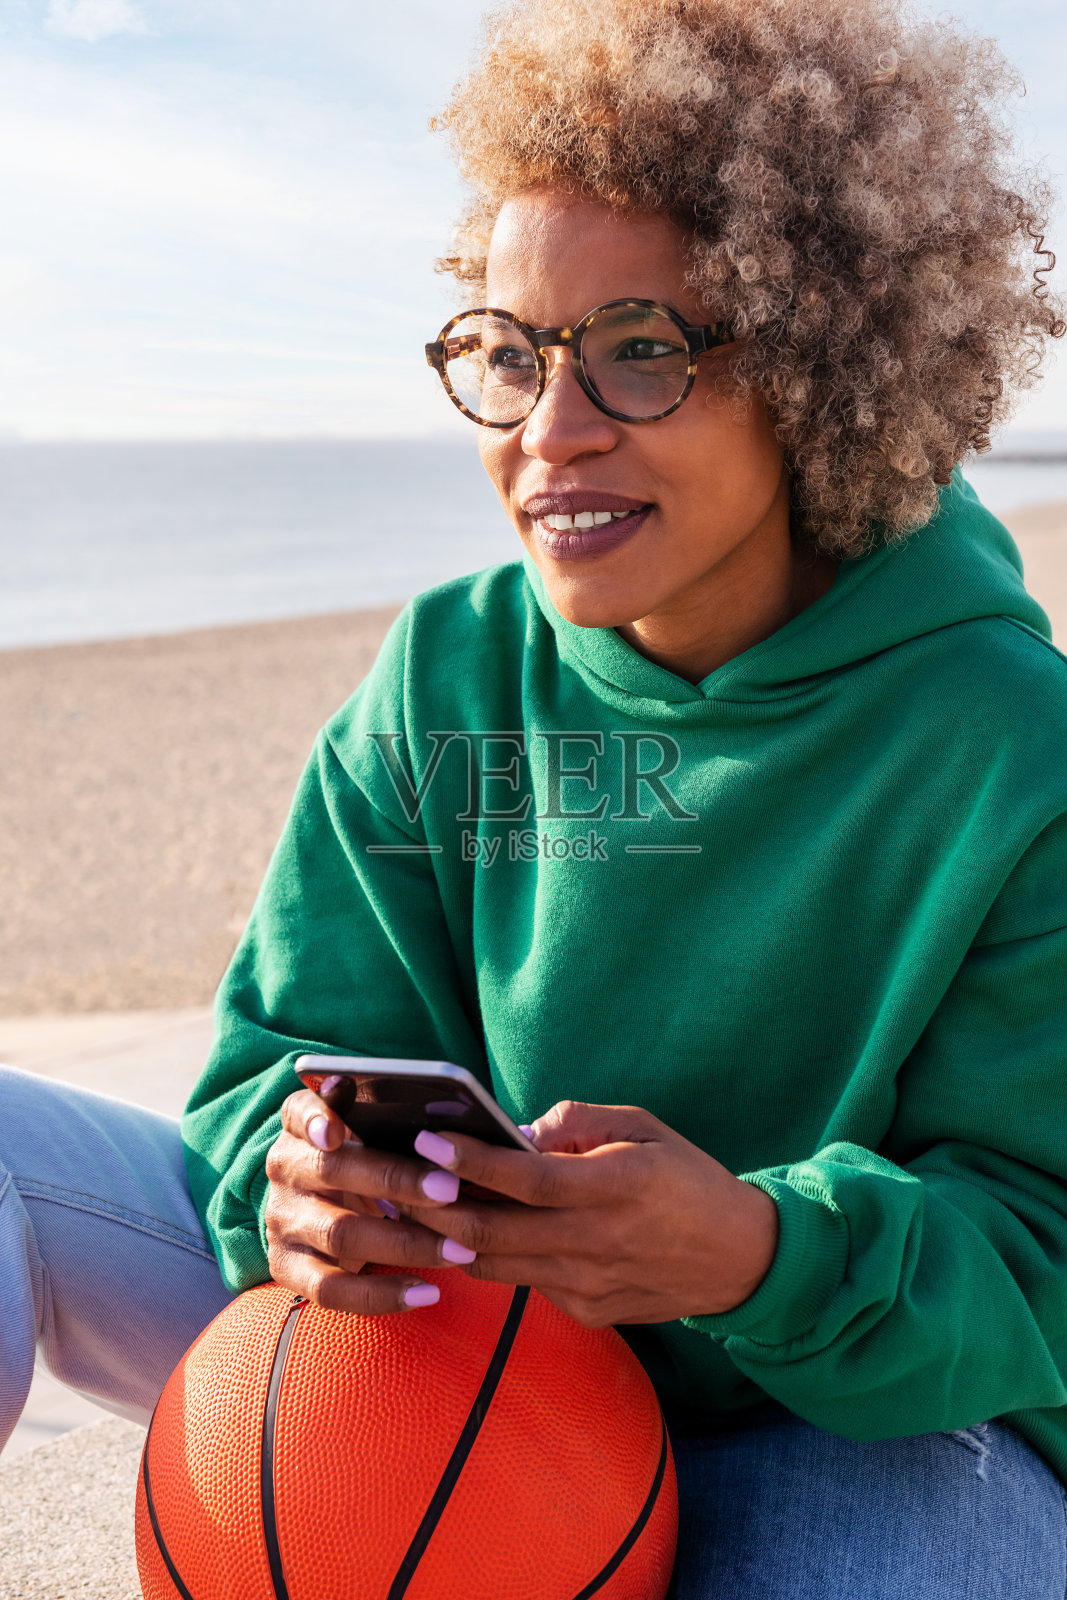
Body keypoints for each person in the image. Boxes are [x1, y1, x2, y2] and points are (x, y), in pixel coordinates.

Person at [2, 0, 1066, 1592]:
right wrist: (291, 1188)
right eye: (511, 355)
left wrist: (757, 1252)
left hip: (839, 1409)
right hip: (457, 1355)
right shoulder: (443, 672)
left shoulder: (1010, 741)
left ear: (832, 371)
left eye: (644, 351)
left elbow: (1038, 1247)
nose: (550, 436)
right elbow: (270, 1069)